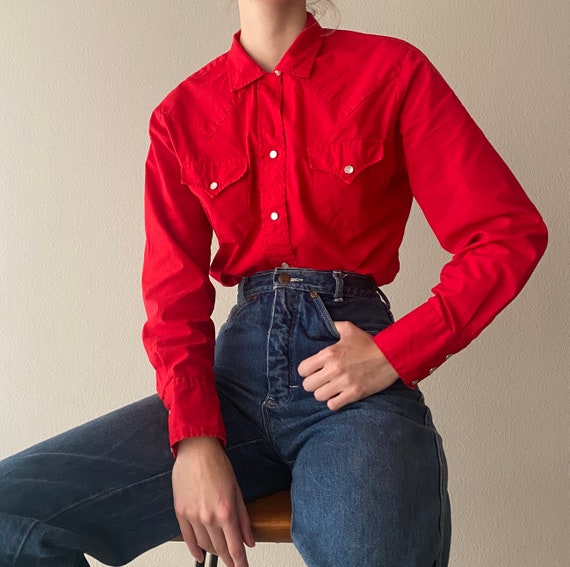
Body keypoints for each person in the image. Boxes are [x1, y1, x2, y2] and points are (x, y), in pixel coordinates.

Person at [0, 1, 548, 566]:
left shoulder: (392, 71)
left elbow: (506, 234)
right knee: (10, 514)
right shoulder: (180, 115)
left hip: (351, 381)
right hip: (229, 387)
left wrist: (393, 353)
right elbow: (173, 301)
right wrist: (194, 438)